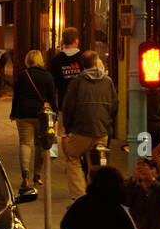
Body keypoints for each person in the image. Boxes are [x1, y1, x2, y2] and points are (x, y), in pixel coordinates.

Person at [61, 51, 118, 200]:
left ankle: (79, 195)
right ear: (95, 63)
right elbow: (114, 106)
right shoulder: (108, 81)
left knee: (72, 156)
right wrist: (107, 123)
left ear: (82, 65)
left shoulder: (77, 82)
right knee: (97, 162)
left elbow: (68, 107)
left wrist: (68, 129)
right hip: (101, 130)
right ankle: (99, 194)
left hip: (81, 130)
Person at [10, 49, 57, 191]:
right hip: (42, 115)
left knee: (25, 143)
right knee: (40, 145)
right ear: (40, 60)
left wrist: (13, 113)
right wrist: (54, 116)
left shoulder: (22, 76)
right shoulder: (47, 76)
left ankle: (25, 175)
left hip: (23, 113)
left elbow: (16, 96)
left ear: (28, 60)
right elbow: (52, 97)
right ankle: (37, 175)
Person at [49, 29, 83, 128]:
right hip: (81, 101)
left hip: (63, 101)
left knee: (65, 133)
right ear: (76, 40)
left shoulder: (56, 60)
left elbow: (52, 84)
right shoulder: (83, 57)